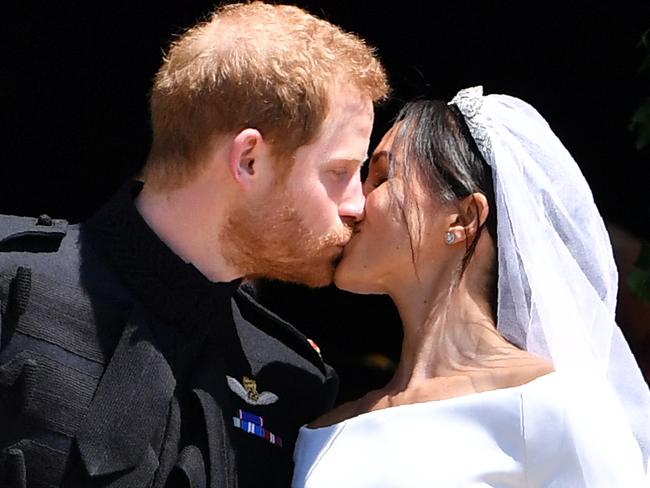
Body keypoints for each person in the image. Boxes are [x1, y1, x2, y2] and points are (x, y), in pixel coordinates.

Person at [0, 2, 388, 487]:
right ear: (248, 159)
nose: (357, 204)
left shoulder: (294, 379)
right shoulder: (11, 283)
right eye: (339, 172)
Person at [292, 86, 650, 486]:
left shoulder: (554, 409)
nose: (354, 204)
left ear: (463, 218)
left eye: (382, 176)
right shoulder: (323, 430)